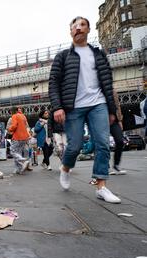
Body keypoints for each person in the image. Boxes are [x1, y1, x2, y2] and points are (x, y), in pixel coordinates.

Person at [49, 16, 121, 204]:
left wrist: (112, 110)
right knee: (74, 146)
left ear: (89, 30)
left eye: (82, 25)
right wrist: (57, 107)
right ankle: (65, 168)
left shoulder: (98, 54)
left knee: (103, 143)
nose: (78, 28)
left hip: (98, 103)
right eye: (75, 26)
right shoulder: (63, 56)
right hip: (74, 107)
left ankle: (101, 186)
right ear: (70, 31)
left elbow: (107, 82)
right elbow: (53, 83)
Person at [8, 106, 31, 174]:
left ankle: (23, 161)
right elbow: (26, 126)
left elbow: (14, 126)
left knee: (13, 151)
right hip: (24, 137)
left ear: (12, 111)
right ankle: (20, 169)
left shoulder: (14, 116)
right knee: (19, 152)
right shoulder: (23, 116)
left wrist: (10, 129)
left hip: (17, 137)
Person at [109, 91, 127, 175]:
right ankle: (105, 167)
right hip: (102, 119)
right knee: (102, 144)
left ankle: (116, 165)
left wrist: (119, 120)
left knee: (120, 141)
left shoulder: (113, 92)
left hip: (114, 121)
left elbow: (117, 106)